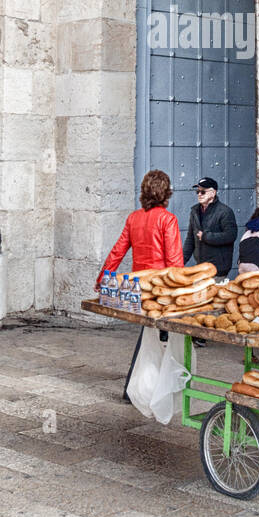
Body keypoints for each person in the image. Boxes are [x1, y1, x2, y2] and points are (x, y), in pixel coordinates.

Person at [97, 169, 183, 403]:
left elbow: (118, 250)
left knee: (149, 333)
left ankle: (134, 387)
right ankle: (155, 387)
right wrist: (182, 293)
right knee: (162, 336)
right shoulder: (168, 219)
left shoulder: (134, 218)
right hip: (161, 288)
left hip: (139, 287)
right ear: (166, 193)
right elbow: (174, 262)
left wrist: (102, 278)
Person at [183, 177, 238, 278]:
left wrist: (206, 237)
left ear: (213, 193)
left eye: (203, 192)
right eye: (198, 191)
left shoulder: (225, 212)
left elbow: (231, 235)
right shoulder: (195, 211)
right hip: (201, 269)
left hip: (218, 270)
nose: (199, 194)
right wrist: (180, 262)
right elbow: (190, 239)